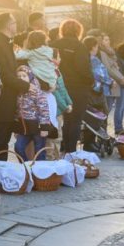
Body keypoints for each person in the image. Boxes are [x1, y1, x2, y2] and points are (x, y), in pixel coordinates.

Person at [0, 12, 29, 160]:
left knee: (3, 138)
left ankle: (1, 168)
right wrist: (25, 86)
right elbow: (4, 74)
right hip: (3, 98)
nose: (16, 25)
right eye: (14, 23)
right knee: (0, 137)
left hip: (8, 96)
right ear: (8, 25)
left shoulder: (5, 43)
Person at [50, 19, 92, 154]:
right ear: (78, 31)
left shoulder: (54, 45)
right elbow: (83, 68)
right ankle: (70, 151)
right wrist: (91, 81)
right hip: (77, 87)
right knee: (74, 120)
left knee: (62, 119)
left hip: (57, 86)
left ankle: (62, 148)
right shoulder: (80, 46)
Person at [13, 65, 52, 161]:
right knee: (18, 147)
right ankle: (26, 166)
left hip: (38, 127)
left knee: (39, 150)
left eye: (24, 76)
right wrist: (17, 128)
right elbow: (17, 111)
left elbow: (44, 110)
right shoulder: (18, 92)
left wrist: (44, 128)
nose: (21, 78)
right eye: (19, 77)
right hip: (25, 127)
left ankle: (40, 172)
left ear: (30, 77)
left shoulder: (37, 92)